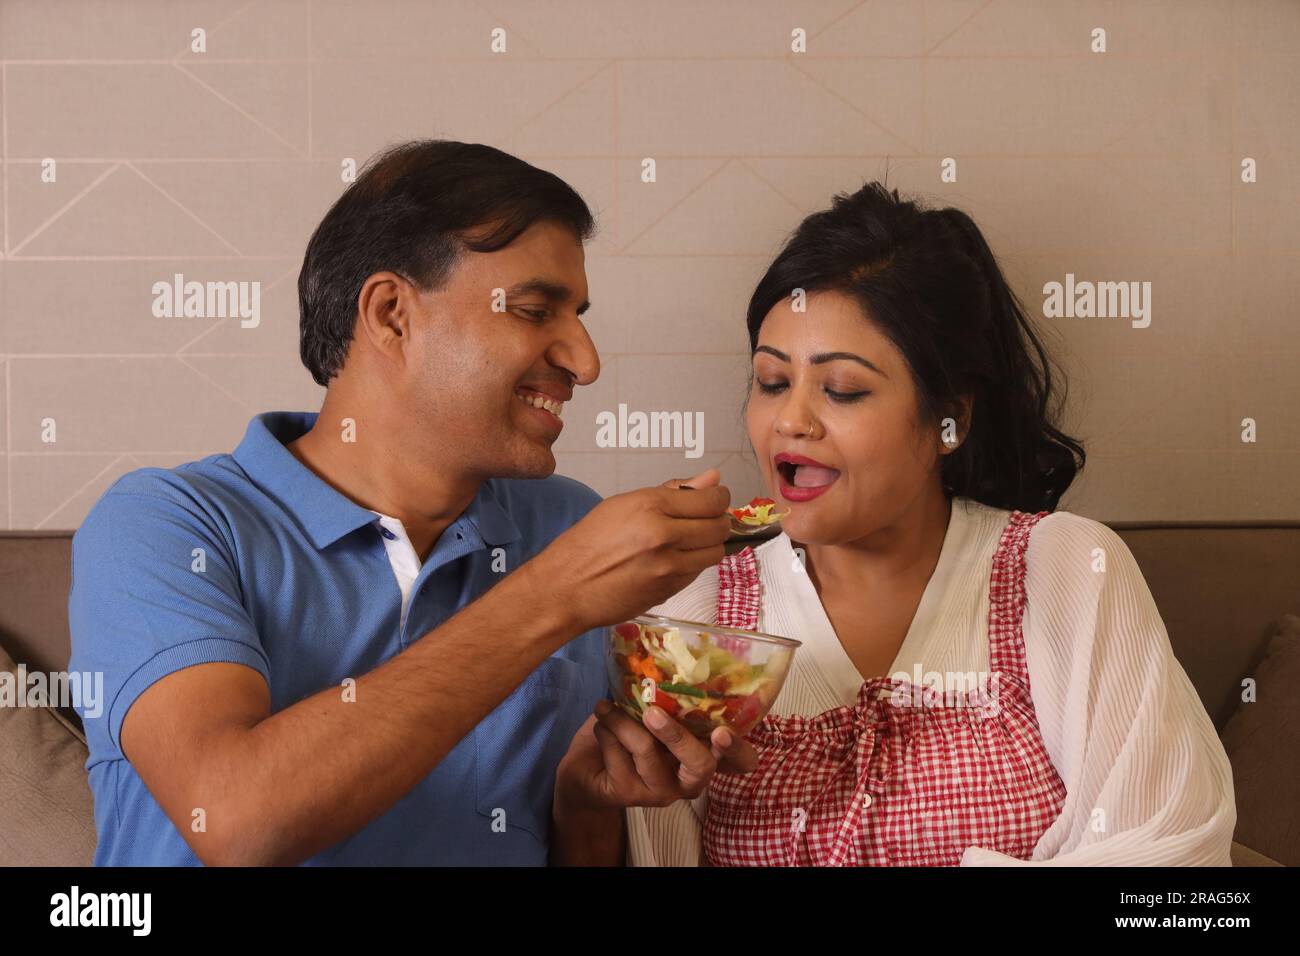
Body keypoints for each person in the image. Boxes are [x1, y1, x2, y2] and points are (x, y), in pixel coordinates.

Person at [67, 139, 754, 866]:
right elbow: (236, 818)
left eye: (577, 316)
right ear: (392, 313)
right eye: (533, 310)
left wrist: (583, 807)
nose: (585, 362)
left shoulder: (566, 524)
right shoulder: (165, 525)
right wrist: (556, 592)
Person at [627, 181, 1236, 866]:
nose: (789, 421)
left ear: (951, 419)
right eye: (771, 382)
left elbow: (1174, 854)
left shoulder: (1065, 572)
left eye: (843, 390)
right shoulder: (700, 609)